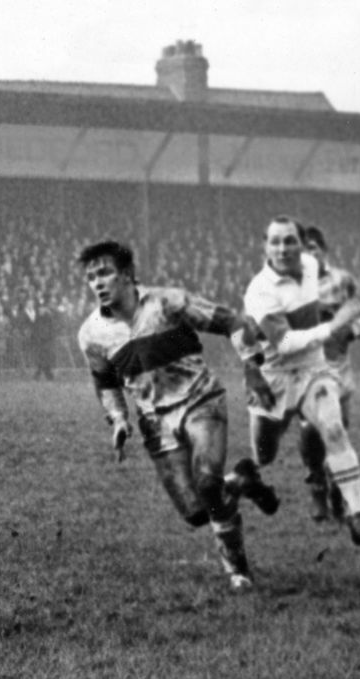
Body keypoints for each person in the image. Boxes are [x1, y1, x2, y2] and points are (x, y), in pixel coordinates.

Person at [76, 240, 276, 590]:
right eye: (91, 277)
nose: (97, 283)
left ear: (127, 275)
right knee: (195, 511)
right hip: (155, 422)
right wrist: (119, 418)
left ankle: (238, 570)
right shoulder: (91, 334)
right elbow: (106, 382)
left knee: (208, 484)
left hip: (200, 401)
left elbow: (232, 320)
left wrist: (252, 368)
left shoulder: (168, 302)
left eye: (105, 272)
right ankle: (242, 482)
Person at [239, 217, 360, 545]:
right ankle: (249, 477)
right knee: (264, 455)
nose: (282, 248)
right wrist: (334, 327)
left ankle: (357, 516)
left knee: (333, 429)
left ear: (303, 245)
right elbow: (285, 343)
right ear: (265, 246)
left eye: (289, 241)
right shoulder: (260, 290)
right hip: (273, 378)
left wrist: (352, 320)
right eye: (275, 241)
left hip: (314, 371)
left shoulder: (314, 267)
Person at [293, 226, 360, 522]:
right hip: (306, 371)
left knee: (338, 431)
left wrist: (351, 332)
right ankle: (317, 484)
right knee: (310, 429)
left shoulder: (342, 281)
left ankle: (338, 490)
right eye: (304, 249)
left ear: (324, 251)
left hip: (338, 370)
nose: (309, 253)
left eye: (314, 247)